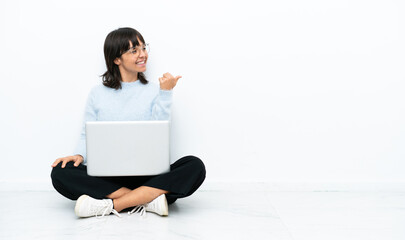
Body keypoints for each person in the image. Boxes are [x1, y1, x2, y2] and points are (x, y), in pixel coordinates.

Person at [50, 27, 206, 218]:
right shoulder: (97, 94)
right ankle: (148, 199)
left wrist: (165, 94)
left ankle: (113, 205)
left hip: (148, 176)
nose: (143, 55)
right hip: (110, 178)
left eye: (143, 48)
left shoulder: (155, 90)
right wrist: (78, 156)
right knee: (60, 172)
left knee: (194, 166)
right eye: (134, 51)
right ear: (117, 59)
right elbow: (87, 134)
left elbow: (160, 133)